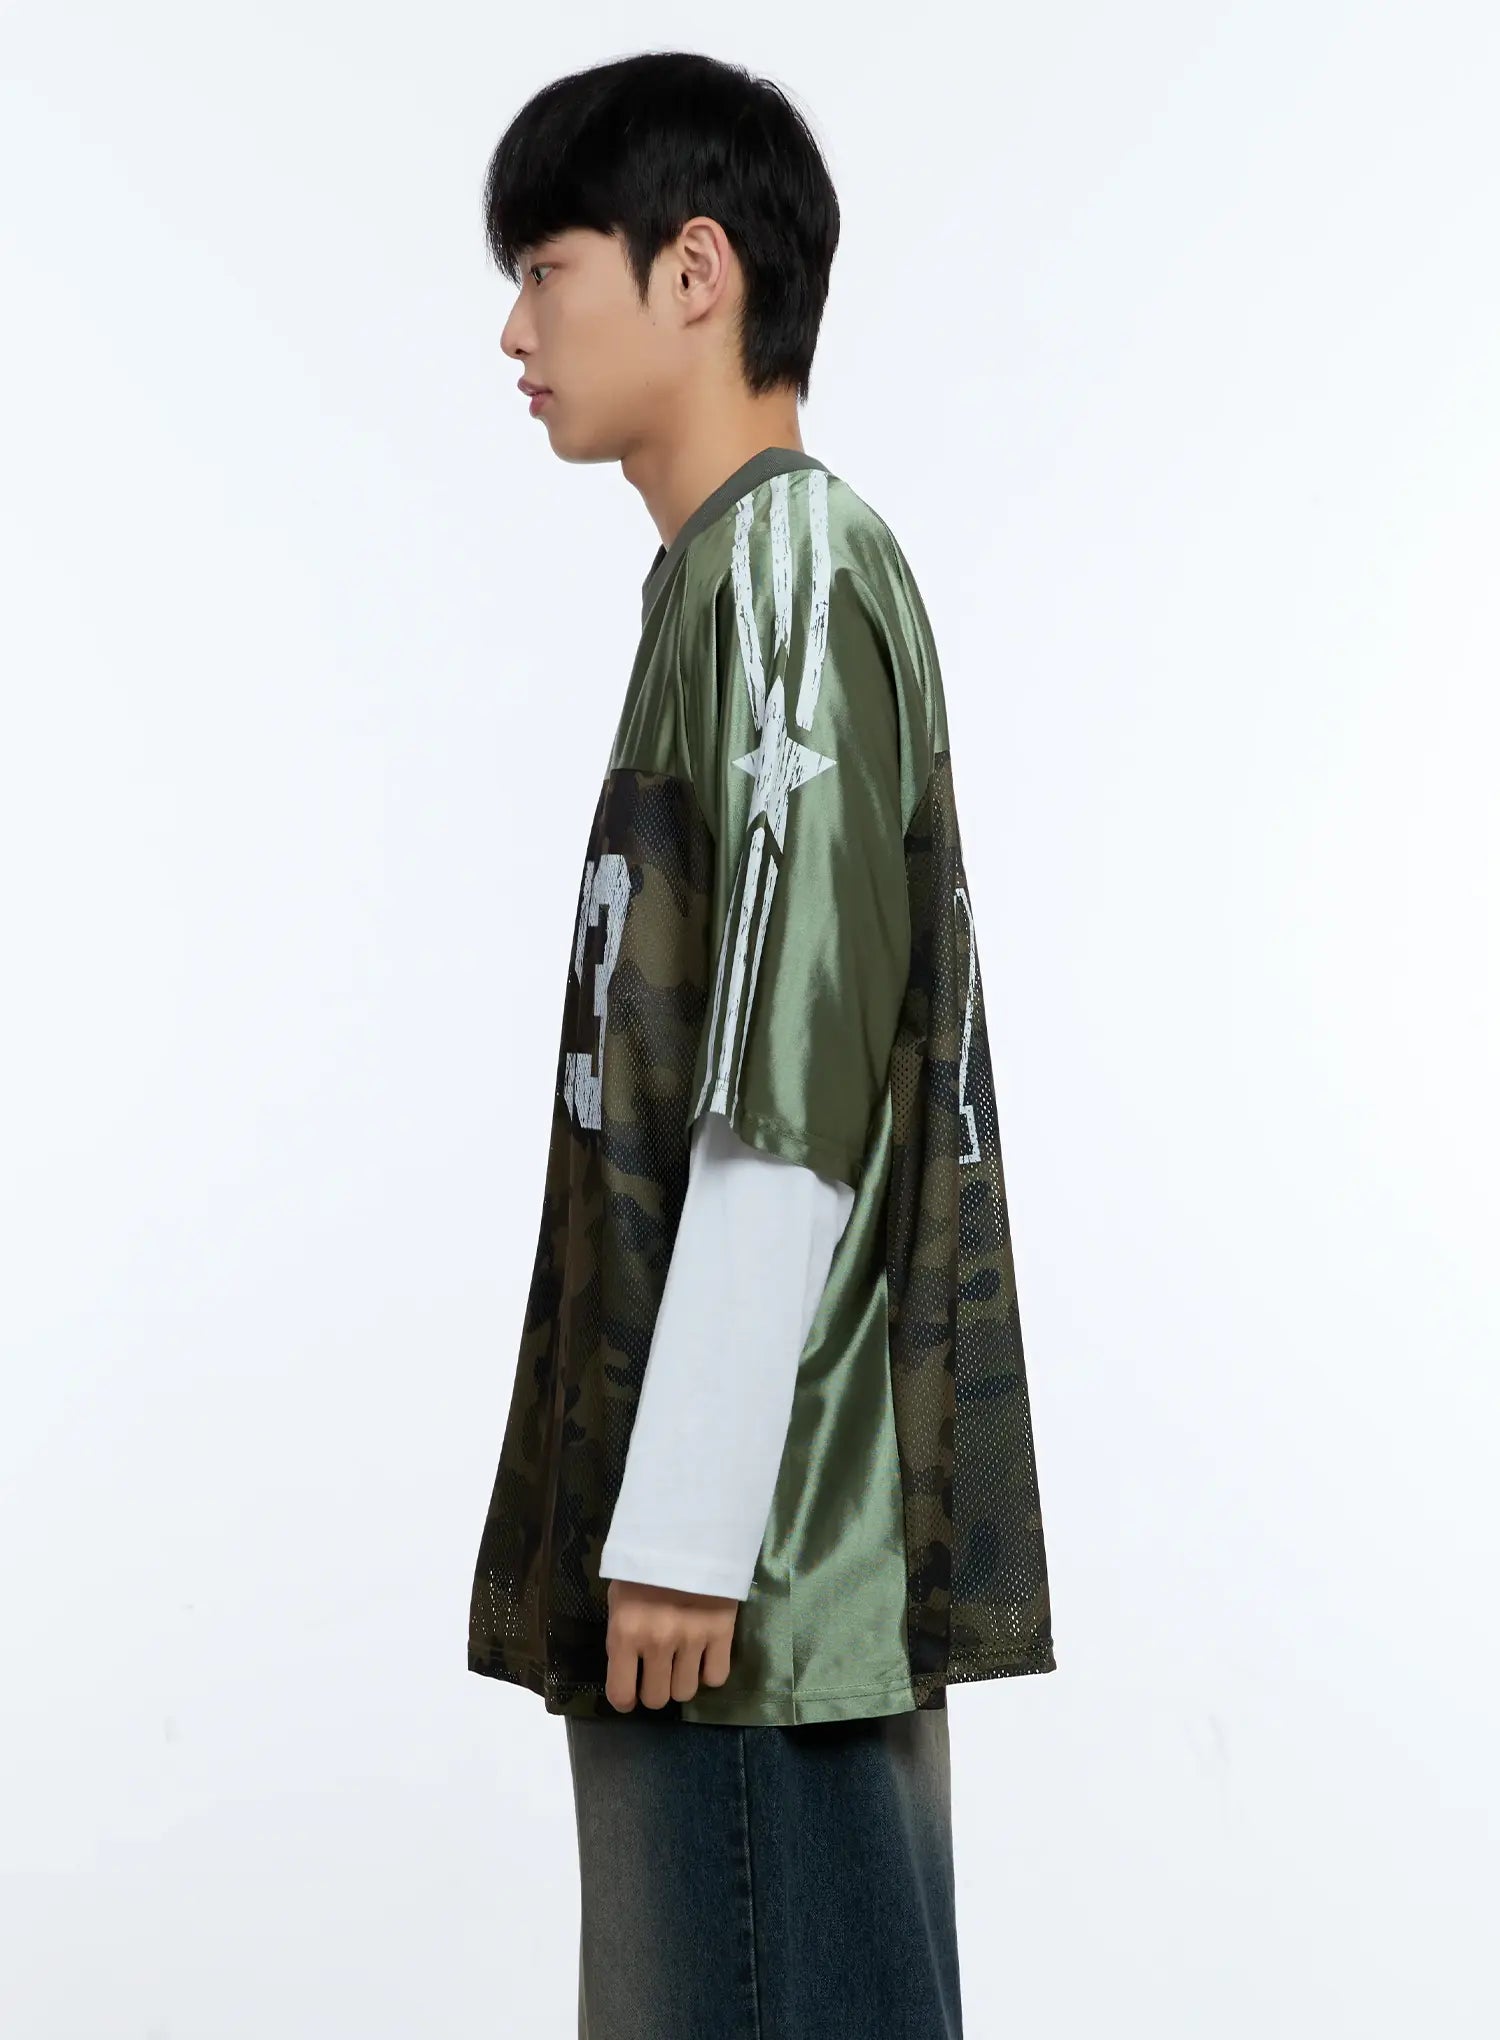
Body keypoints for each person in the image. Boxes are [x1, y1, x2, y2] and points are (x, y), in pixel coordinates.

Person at [467, 49, 1056, 2040]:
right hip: (739, 1571)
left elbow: (787, 1094)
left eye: (546, 270)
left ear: (694, 270)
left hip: (754, 1587)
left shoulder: (792, 571)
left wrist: (689, 1524)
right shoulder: (727, 579)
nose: (516, 332)